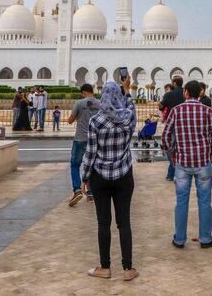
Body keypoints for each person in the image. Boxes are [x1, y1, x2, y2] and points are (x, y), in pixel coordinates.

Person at [81, 80, 138, 281]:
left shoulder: (95, 121)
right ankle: (128, 269)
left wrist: (84, 177)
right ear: (119, 97)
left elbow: (91, 152)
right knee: (124, 223)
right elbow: (132, 108)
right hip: (124, 176)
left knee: (103, 223)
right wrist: (128, 91)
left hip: (100, 177)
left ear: (103, 96)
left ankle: (105, 267)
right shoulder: (128, 118)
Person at [161, 80, 212, 249]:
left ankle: (179, 239)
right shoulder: (207, 111)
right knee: (205, 202)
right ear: (200, 93)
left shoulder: (176, 111)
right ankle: (205, 239)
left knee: (181, 202)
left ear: (185, 92)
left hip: (182, 163)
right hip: (203, 163)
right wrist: (210, 155)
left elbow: (165, 138)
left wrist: (173, 153)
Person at [68, 83, 100, 206]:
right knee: (92, 165)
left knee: (75, 164)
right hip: (94, 139)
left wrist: (79, 117)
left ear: (84, 93)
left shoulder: (79, 103)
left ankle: (77, 190)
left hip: (80, 138)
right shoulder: (99, 103)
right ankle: (91, 194)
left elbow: (70, 120)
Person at [158, 76, 185, 182]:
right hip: (184, 125)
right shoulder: (185, 94)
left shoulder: (169, 94)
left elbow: (161, 106)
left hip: (172, 125)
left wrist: (160, 105)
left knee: (171, 147)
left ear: (174, 83)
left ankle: (173, 169)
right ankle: (178, 171)